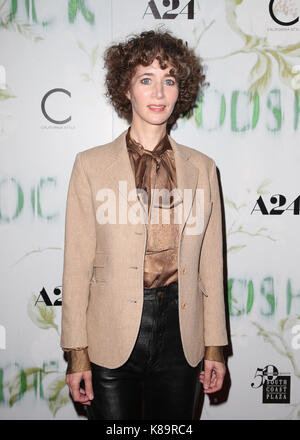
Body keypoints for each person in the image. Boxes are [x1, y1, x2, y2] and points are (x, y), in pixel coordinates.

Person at [60, 28, 228, 420]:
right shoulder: (90, 165)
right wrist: (77, 352)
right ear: (127, 88)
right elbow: (77, 264)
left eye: (168, 80)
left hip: (181, 334)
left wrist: (215, 345)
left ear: (179, 91)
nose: (158, 93)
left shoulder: (203, 168)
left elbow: (210, 265)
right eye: (146, 79)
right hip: (110, 334)